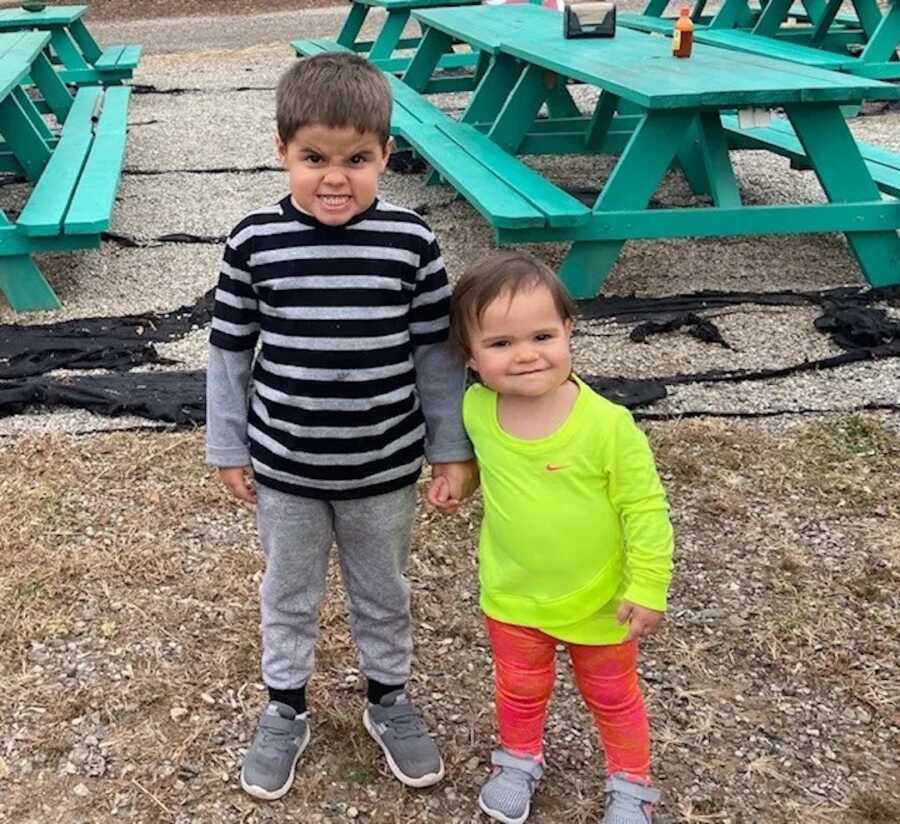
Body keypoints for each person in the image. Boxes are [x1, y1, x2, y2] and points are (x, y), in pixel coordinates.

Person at [206, 52, 476, 801]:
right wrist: (227, 444)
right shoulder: (253, 241)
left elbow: (435, 354)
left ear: (386, 154)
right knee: (287, 592)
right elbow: (230, 351)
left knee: (381, 590)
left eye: (358, 159)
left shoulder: (411, 242)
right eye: (314, 157)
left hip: (384, 469)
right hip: (286, 468)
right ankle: (283, 706)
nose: (335, 177)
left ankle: (388, 698)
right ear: (282, 151)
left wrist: (451, 448)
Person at [428, 251, 674, 824]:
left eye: (542, 334)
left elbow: (645, 508)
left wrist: (649, 584)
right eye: (501, 344)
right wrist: (457, 487)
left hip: (600, 600)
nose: (526, 355)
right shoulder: (477, 409)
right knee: (519, 688)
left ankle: (630, 784)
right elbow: (486, 471)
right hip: (513, 594)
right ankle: (518, 758)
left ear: (569, 329)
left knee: (613, 699)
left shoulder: (607, 426)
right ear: (471, 355)